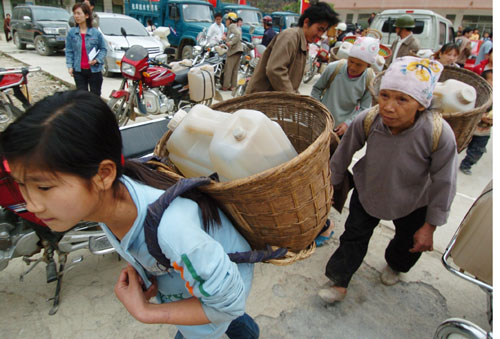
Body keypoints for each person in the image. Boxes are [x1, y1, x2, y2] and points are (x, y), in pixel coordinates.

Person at [0, 90, 260, 339]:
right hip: (202, 281)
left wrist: (146, 312)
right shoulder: (110, 199)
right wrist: (143, 266)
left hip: (215, 299)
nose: (31, 205)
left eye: (43, 187)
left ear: (104, 174)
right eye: (21, 185)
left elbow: (229, 305)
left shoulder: (173, 231)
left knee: (219, 314)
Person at [318, 56, 457, 303]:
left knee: (408, 242)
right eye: (385, 96)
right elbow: (343, 153)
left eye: (402, 99)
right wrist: (330, 184)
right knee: (354, 235)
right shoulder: (368, 119)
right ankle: (339, 281)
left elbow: (445, 181)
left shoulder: (438, 133)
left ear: (422, 104)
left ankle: (395, 265)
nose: (389, 107)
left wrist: (430, 226)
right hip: (369, 188)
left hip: (413, 198)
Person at [245, 2, 339, 94]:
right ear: (306, 22)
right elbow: (275, 69)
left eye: (323, 31)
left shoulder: (303, 43)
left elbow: (292, 82)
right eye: (319, 29)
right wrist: (292, 96)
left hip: (276, 101)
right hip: (261, 100)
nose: (320, 34)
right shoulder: (290, 37)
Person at [311, 36, 378, 138]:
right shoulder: (334, 68)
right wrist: (319, 109)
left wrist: (348, 123)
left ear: (368, 65)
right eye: (351, 61)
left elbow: (364, 108)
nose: (352, 67)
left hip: (341, 129)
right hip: (321, 122)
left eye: (359, 65)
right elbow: (317, 89)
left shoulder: (369, 79)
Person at [65, 3, 107, 96]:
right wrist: (69, 66)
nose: (76, 16)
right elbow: (69, 51)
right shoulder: (72, 33)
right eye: (75, 13)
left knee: (95, 97)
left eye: (79, 13)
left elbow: (103, 49)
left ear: (87, 15)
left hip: (94, 71)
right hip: (79, 71)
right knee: (82, 97)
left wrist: (97, 60)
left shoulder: (96, 33)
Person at [459, 69, 493, 175]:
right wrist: (481, 116)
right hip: (469, 128)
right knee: (457, 146)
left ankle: (467, 165)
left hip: (484, 132)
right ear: (483, 81)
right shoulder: (476, 94)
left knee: (477, 151)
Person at [221, 12, 243, 91]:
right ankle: (233, 86)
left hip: (233, 50)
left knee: (228, 69)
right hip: (239, 50)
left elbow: (237, 35)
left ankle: (225, 86)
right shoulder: (236, 26)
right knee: (235, 70)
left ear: (231, 20)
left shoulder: (231, 26)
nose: (226, 21)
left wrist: (230, 43)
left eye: (227, 19)